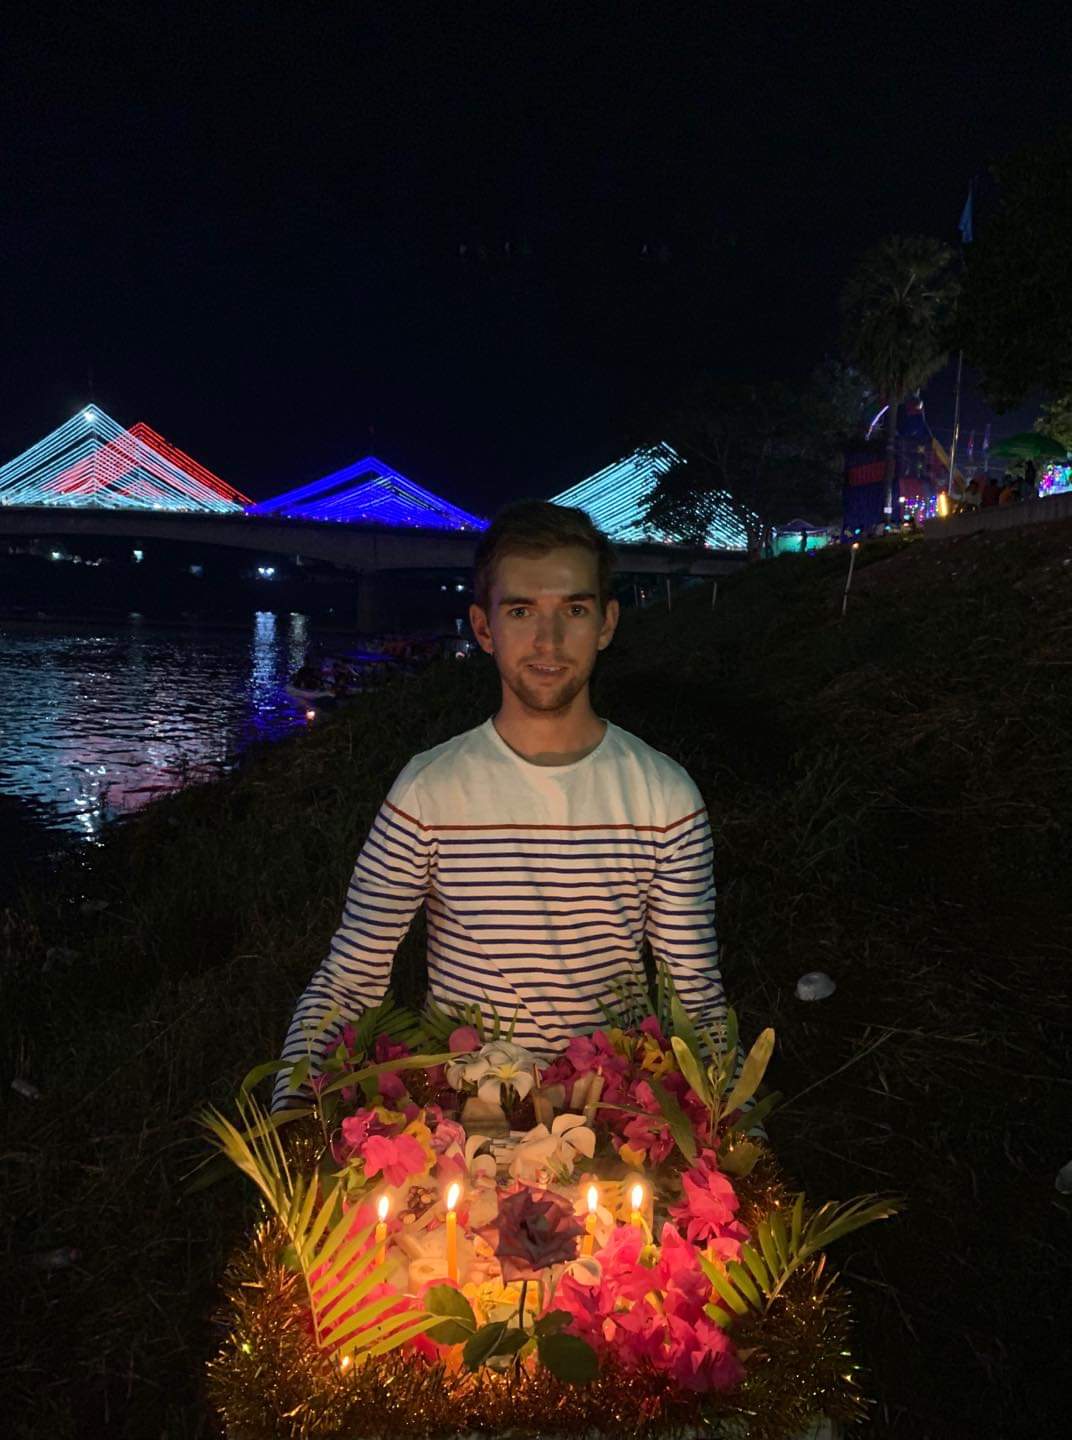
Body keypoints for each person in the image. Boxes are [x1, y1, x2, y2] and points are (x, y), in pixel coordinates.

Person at [273, 501, 728, 1107]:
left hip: (615, 1126)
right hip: (455, 1129)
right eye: (520, 611)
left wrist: (735, 1131)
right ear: (484, 629)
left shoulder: (665, 798)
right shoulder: (429, 791)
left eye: (574, 610)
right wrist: (294, 1114)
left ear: (607, 622)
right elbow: (350, 979)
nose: (548, 639)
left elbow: (694, 1001)